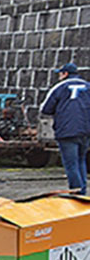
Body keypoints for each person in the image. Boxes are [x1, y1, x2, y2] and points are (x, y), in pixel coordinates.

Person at [40, 62, 90, 195]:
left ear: (65, 74)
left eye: (60, 74)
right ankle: (83, 191)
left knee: (71, 164)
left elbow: (46, 109)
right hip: (86, 130)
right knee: (81, 160)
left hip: (67, 131)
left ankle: (76, 193)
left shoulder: (60, 87)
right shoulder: (88, 86)